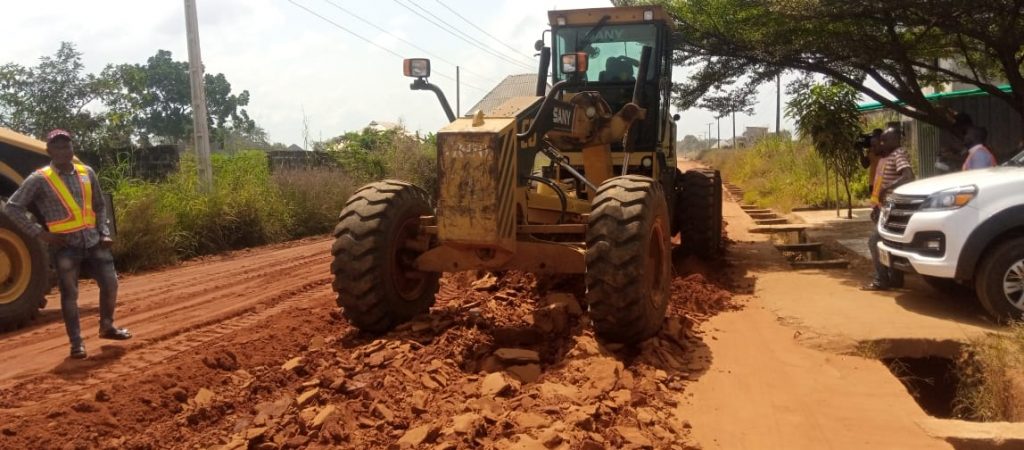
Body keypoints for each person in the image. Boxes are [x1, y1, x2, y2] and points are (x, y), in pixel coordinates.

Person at [2, 129, 130, 359]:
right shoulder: (39, 178)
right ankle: (77, 344)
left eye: (66, 146)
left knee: (110, 284)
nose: (63, 151)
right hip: (65, 247)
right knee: (70, 295)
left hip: (94, 242)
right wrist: (40, 234)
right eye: (57, 147)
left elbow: (99, 206)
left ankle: (107, 326)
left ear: (72, 148)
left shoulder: (86, 172)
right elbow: (12, 207)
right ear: (49, 150)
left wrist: (104, 232)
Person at [863, 126, 914, 291]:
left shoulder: (898, 154)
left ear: (895, 140)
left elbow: (908, 176)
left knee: (874, 242)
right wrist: (876, 205)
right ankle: (895, 279)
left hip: (892, 208)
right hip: (884, 208)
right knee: (888, 243)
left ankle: (881, 280)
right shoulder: (887, 157)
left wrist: (887, 189)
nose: (882, 143)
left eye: (885, 140)